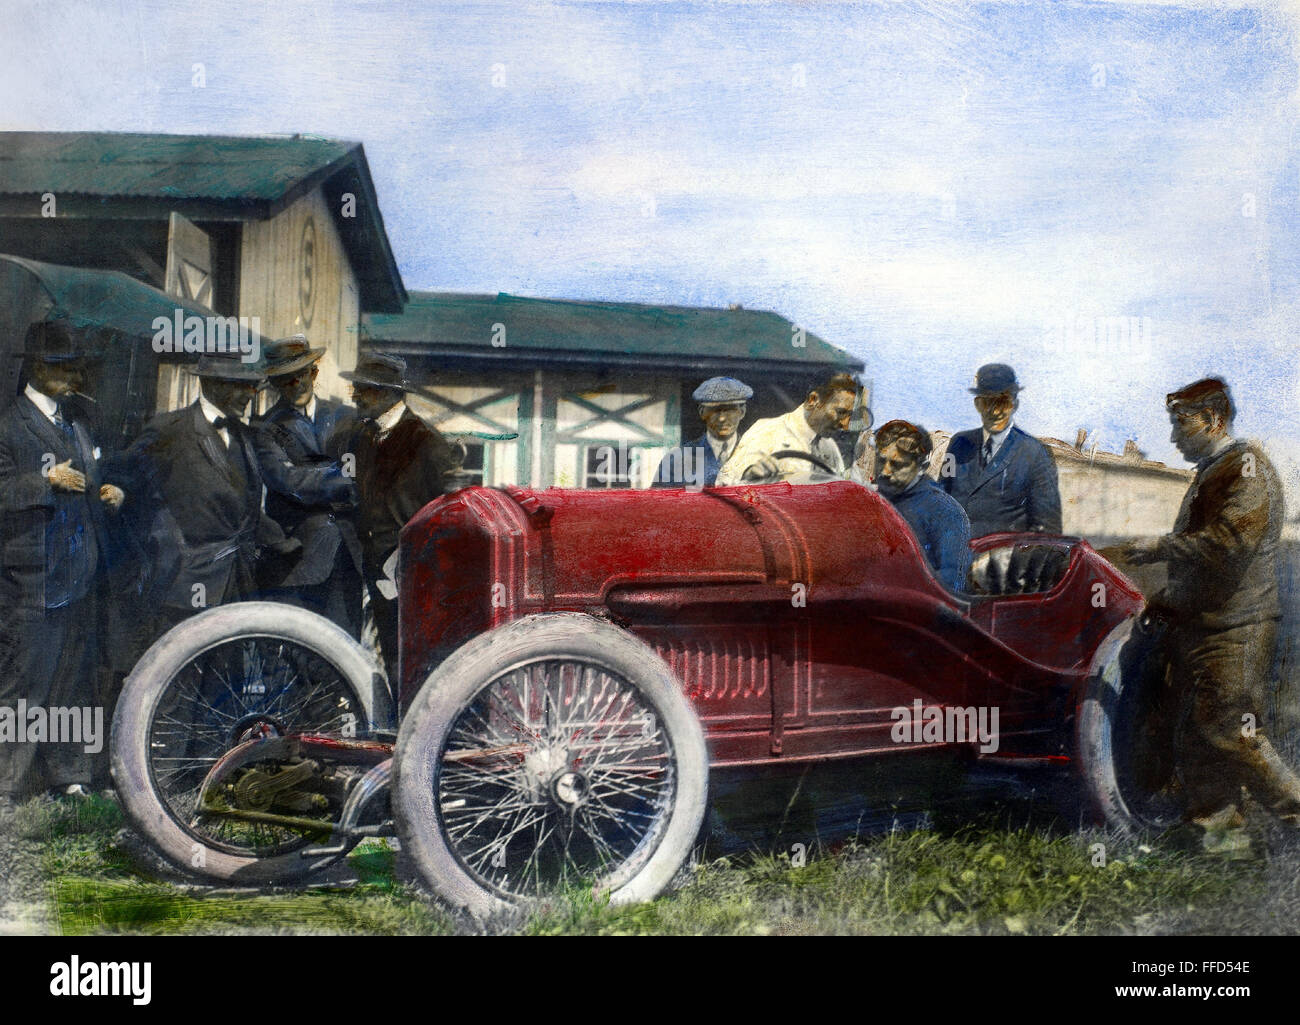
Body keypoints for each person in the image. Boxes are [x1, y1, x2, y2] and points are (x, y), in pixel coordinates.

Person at [1109, 378, 1300, 854]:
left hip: (1236, 627)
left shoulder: (1248, 469)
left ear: (1214, 420)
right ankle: (1220, 839)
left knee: (1233, 730)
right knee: (1197, 733)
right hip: (1203, 625)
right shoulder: (1216, 469)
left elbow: (1230, 544)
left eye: (1181, 423)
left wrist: (1159, 547)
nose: (1173, 437)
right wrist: (1167, 604)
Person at [0, 320, 126, 798]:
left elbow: (92, 478)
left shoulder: (77, 423)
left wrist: (109, 492)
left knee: (73, 683)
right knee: (24, 684)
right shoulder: (10, 426)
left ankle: (70, 776)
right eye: (61, 367)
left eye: (75, 367)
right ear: (36, 367)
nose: (72, 376)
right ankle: (6, 784)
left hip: (79, 576)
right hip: (33, 580)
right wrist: (44, 482)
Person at [118, 350, 303, 640]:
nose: (250, 394)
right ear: (212, 385)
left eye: (252, 386)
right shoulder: (170, 429)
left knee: (226, 670)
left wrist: (282, 542)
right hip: (188, 578)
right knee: (183, 666)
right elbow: (125, 475)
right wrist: (119, 491)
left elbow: (247, 506)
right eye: (241, 386)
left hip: (238, 577)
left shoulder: (245, 435)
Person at [338, 352, 460, 689]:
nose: (356, 396)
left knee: (419, 655)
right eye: (356, 388)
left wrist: (409, 557)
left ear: (389, 393)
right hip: (375, 568)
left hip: (414, 571)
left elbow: (448, 514)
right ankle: (396, 728)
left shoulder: (427, 442)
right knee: (390, 652)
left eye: (364, 389)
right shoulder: (360, 437)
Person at [253, 335, 363, 637]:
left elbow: (366, 467)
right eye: (285, 381)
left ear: (313, 372)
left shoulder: (346, 417)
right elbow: (288, 481)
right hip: (299, 559)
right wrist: (345, 480)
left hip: (349, 555)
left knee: (345, 646)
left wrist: (322, 474)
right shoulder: (265, 429)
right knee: (300, 648)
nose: (296, 386)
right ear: (274, 384)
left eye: (300, 376)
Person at [940, 363, 1062, 537]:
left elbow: (1047, 527)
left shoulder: (1034, 453)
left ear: (1015, 404)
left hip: (1002, 560)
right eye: (987, 401)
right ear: (977, 404)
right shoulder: (958, 444)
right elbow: (941, 499)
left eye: (1002, 402)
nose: (995, 411)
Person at [873, 419, 971, 594]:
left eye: (897, 464)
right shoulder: (869, 501)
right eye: (881, 461)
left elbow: (952, 589)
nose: (884, 472)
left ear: (922, 467)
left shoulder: (946, 512)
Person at [714, 372, 858, 485]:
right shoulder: (768, 431)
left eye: (850, 415)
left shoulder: (829, 447)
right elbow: (724, 484)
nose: (845, 425)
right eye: (841, 412)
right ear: (813, 400)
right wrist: (750, 476)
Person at [653, 377, 752, 488]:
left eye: (730, 410)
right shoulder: (676, 459)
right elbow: (657, 503)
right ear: (702, 412)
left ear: (742, 412)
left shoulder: (754, 457)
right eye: (714, 411)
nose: (722, 418)